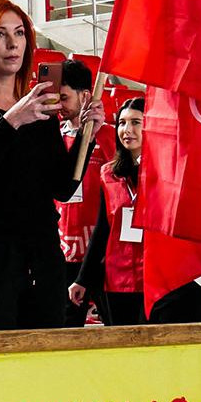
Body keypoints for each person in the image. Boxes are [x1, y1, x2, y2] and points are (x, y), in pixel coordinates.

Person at [0, 0, 105, 331]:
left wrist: (86, 136)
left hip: (42, 252)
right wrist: (13, 119)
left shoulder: (40, 108)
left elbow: (62, 186)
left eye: (19, 33)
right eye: (0, 34)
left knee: (45, 351)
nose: (13, 43)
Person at [68, 98, 145, 326]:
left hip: (155, 277)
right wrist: (82, 279)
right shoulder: (108, 173)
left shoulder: (165, 173)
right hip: (117, 278)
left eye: (136, 122)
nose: (127, 130)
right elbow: (102, 229)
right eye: (122, 122)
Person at [54, 59, 116, 327]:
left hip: (101, 255)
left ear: (85, 96)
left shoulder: (111, 138)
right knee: (66, 332)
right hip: (62, 254)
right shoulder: (53, 137)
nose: (59, 105)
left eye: (64, 98)